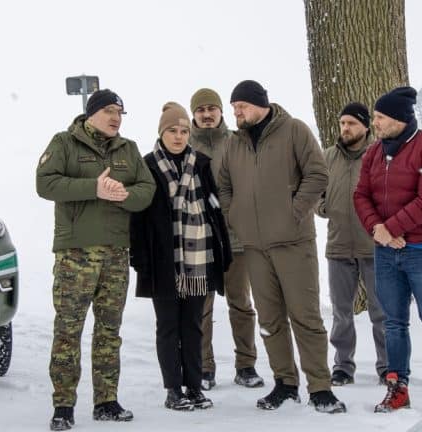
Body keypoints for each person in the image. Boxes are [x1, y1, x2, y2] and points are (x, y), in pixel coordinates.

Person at [219, 80, 346, 414]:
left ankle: (320, 387)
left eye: (241, 106)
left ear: (260, 104)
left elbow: (317, 174)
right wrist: (236, 216)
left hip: (293, 242)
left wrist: (294, 212)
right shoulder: (235, 144)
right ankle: (285, 383)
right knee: (270, 319)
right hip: (255, 247)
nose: (236, 113)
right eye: (234, 108)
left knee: (305, 317)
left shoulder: (294, 130)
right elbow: (224, 185)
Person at [36, 89, 155, 431]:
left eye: (120, 112)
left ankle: (106, 400)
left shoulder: (128, 149)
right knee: (68, 330)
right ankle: (63, 405)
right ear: (91, 114)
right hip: (76, 254)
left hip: (116, 253)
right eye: (108, 111)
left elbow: (147, 190)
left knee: (109, 330)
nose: (116, 117)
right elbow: (45, 183)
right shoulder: (64, 143)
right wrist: (94, 188)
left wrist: (125, 195)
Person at [353, 86, 422, 412]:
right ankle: (397, 386)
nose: (375, 123)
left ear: (399, 118)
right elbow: (360, 195)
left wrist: (390, 228)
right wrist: (378, 231)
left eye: (380, 117)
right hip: (386, 251)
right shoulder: (374, 152)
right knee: (393, 322)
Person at [130, 102, 232, 411]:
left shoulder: (201, 163)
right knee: (168, 326)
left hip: (199, 260)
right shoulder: (147, 166)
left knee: (194, 325)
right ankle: (173, 389)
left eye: (184, 131)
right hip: (164, 262)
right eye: (172, 131)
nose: (178, 136)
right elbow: (139, 218)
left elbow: (214, 206)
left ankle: (195, 386)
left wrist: (222, 248)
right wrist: (140, 259)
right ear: (161, 133)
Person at [188, 88, 263, 391]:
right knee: (200, 307)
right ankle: (204, 368)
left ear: (221, 111)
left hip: (236, 240)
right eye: (201, 109)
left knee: (241, 304)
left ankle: (246, 365)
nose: (207, 114)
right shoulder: (185, 143)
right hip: (200, 240)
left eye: (212, 108)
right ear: (194, 114)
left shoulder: (238, 141)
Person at [314, 102, 387, 387]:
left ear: (366, 127)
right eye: (343, 123)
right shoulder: (328, 156)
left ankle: (388, 366)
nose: (345, 128)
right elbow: (314, 190)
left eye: (352, 123)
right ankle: (343, 366)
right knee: (342, 313)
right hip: (338, 247)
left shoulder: (378, 155)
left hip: (374, 247)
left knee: (381, 312)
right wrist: (324, 207)